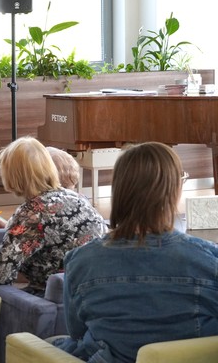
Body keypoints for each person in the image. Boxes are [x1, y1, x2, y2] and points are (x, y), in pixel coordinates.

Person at [54, 142, 218, 362]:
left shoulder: (80, 261)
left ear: (119, 190)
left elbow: (77, 332)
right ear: (174, 190)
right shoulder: (207, 259)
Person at [0, 136, 105, 294]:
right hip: (96, 284)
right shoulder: (78, 198)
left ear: (12, 175)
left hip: (58, 294)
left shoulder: (31, 213)